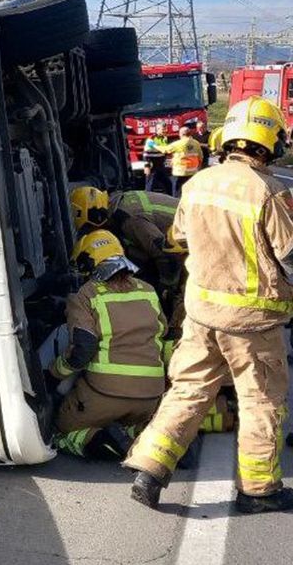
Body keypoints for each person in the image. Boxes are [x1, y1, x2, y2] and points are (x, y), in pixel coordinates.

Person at [125, 96, 293, 514]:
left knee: (188, 391)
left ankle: (149, 470)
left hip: (201, 316)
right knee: (260, 401)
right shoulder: (270, 193)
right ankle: (258, 491)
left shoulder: (197, 183)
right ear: (270, 142)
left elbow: (178, 237)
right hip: (252, 322)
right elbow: (289, 256)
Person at [51, 231, 167, 459]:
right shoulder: (148, 290)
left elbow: (83, 349)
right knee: (134, 420)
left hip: (103, 394)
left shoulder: (86, 294)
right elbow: (162, 335)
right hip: (150, 395)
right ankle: (141, 435)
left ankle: (104, 441)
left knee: (60, 431)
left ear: (89, 262)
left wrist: (55, 371)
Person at [162, 126, 204, 197]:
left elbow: (165, 150)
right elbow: (200, 157)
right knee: (190, 193)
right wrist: (198, 168)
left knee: (177, 193)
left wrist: (154, 145)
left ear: (181, 134)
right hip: (192, 172)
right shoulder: (196, 143)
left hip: (180, 172)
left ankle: (176, 206)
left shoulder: (178, 144)